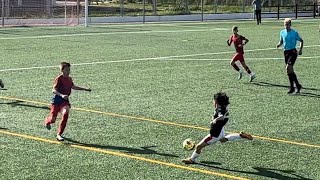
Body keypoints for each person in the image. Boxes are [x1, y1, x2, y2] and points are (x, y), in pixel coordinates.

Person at [182, 92, 253, 164]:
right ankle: (240, 136)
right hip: (221, 130)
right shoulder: (223, 108)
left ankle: (191, 159)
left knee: (199, 146)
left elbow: (221, 116)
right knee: (223, 140)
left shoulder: (220, 109)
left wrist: (215, 120)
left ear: (216, 101)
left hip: (215, 134)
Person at [44, 62, 91, 141]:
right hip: (56, 102)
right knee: (52, 120)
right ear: (62, 70)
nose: (68, 71)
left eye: (69, 69)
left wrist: (84, 89)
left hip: (64, 101)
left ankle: (59, 134)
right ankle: (47, 121)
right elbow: (54, 90)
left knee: (65, 113)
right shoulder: (59, 79)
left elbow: (73, 86)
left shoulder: (69, 79)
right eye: (66, 69)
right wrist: (62, 95)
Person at [276, 18, 303, 94]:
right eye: (285, 24)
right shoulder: (282, 32)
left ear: (290, 25)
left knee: (288, 67)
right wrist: (279, 44)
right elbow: (281, 41)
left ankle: (292, 88)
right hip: (286, 52)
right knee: (289, 71)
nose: (286, 26)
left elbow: (301, 40)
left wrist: (300, 49)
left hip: (293, 52)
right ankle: (297, 85)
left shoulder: (294, 33)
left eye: (287, 24)